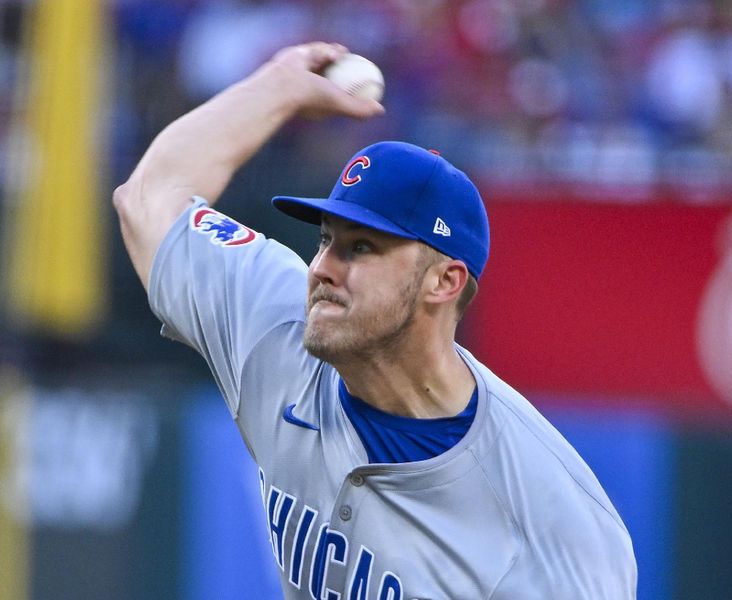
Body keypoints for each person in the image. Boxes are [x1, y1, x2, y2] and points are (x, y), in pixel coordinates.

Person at [115, 42, 636, 599]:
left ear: (445, 282)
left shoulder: (551, 520)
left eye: (360, 248)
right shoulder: (279, 325)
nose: (321, 269)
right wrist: (275, 88)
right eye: (324, 240)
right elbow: (148, 197)